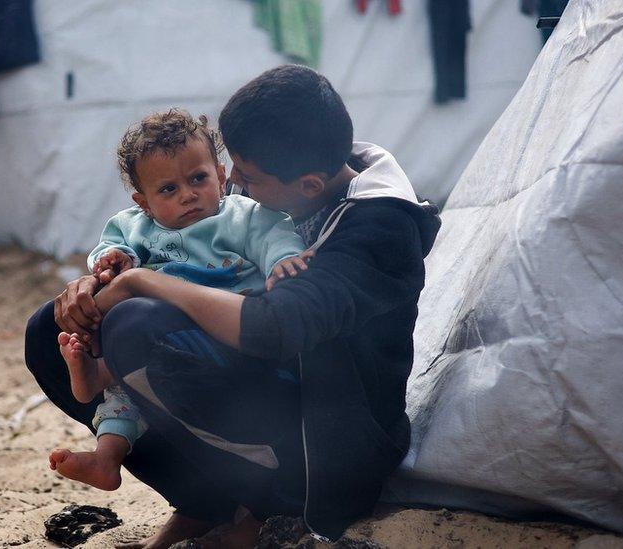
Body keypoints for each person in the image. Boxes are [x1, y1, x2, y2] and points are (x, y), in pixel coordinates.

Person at [26, 64, 441, 548]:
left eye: (246, 177)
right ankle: (206, 503)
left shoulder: (378, 230)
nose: (233, 185)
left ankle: (273, 508)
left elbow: (273, 327)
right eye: (233, 170)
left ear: (307, 185)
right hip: (257, 384)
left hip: (326, 450)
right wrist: (103, 279)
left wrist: (141, 282)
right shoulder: (287, 170)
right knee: (50, 330)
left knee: (138, 325)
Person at [47, 109, 308, 492]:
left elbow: (275, 237)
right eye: (168, 189)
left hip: (218, 330)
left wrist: (283, 261)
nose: (188, 195)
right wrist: (114, 260)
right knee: (125, 394)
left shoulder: (243, 217)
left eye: (198, 178)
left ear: (220, 175)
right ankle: (107, 453)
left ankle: (99, 373)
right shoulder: (135, 226)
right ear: (144, 202)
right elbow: (110, 249)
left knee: (131, 348)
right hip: (154, 334)